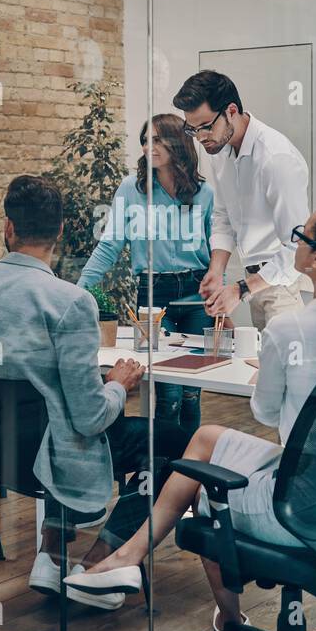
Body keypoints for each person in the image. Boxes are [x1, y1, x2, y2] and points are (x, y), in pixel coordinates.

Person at [66, 204, 316, 631]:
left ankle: (218, 612)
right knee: (205, 437)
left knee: (209, 490)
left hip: (296, 511)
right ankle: (127, 561)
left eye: (300, 237)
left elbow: (265, 413)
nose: (295, 244)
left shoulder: (290, 329)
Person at [0, 175, 192, 611]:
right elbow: (91, 418)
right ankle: (103, 562)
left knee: (53, 423)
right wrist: (116, 385)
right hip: (48, 455)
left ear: (8, 230)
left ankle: (52, 554)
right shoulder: (70, 301)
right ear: (59, 233)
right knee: (176, 445)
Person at [76, 113, 215, 433]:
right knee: (168, 393)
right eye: (144, 140)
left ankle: (189, 472)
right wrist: (79, 290)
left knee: (193, 393)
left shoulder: (204, 194)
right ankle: (165, 473)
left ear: (177, 144)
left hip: (197, 292)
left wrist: (220, 293)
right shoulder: (131, 189)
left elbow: (217, 250)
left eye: (157, 139)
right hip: (152, 293)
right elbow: (109, 245)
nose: (148, 146)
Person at [172, 70, 310, 328]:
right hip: (252, 279)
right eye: (193, 130)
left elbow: (297, 246)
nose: (201, 138)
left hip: (282, 282)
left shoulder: (275, 158)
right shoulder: (219, 150)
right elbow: (223, 217)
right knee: (260, 360)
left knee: (284, 361)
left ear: (231, 111)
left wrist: (241, 289)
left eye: (206, 127)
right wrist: (216, 270)